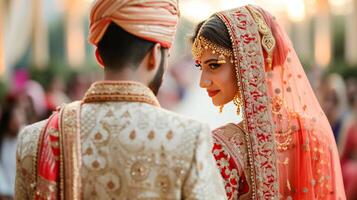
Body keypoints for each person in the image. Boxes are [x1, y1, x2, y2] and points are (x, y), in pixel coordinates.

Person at [15, 0, 226, 199]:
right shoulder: (189, 138)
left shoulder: (34, 139)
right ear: (154, 55)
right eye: (166, 55)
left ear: (99, 56)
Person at [191, 5, 346, 199]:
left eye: (214, 65)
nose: (202, 81)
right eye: (200, 67)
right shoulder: (316, 136)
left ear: (248, 62)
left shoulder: (223, 147)